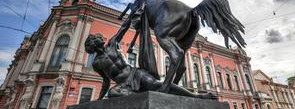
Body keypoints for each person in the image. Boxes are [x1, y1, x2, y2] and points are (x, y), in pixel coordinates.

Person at [85, 19, 217, 100]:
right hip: (123, 84)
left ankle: (197, 96)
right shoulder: (97, 63)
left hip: (134, 74)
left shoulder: (112, 44)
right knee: (112, 93)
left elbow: (124, 27)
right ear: (93, 46)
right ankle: (142, 97)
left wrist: (133, 15)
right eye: (95, 40)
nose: (99, 39)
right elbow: (106, 82)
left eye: (98, 38)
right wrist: (99, 99)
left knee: (159, 84)